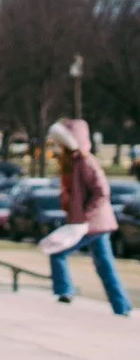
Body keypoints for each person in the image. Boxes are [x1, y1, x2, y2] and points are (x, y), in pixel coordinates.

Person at [48, 118, 132, 317]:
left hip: (92, 223)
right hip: (93, 224)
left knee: (57, 251)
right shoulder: (74, 162)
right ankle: (122, 306)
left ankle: (64, 291)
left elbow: (102, 191)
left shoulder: (85, 162)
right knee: (105, 265)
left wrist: (86, 216)